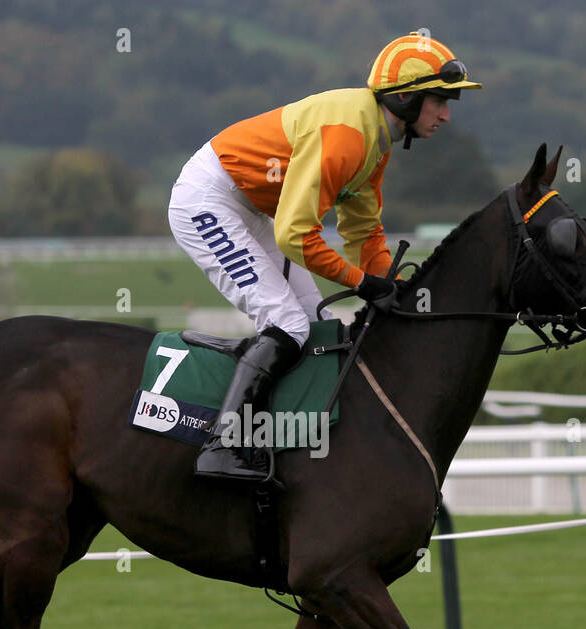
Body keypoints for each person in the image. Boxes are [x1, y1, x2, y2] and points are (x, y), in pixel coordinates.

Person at [168, 31, 481, 482]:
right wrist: (362, 283)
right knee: (289, 324)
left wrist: (389, 286)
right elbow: (296, 235)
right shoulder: (348, 135)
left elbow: (361, 229)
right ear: (408, 98)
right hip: (211, 199)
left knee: (313, 325)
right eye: (439, 100)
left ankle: (290, 438)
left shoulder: (376, 138)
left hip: (254, 206)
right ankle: (224, 443)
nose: (447, 115)